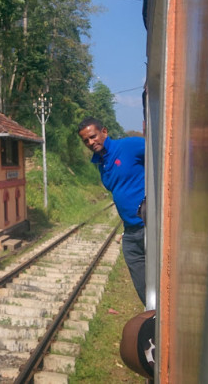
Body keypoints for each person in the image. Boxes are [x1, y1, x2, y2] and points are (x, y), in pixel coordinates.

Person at [77, 117, 146, 305]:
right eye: (86, 140)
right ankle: (154, 321)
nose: (91, 142)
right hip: (132, 234)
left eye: (93, 136)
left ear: (104, 132)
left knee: (164, 281)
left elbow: (164, 153)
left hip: (150, 227)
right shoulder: (101, 163)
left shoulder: (130, 146)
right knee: (144, 289)